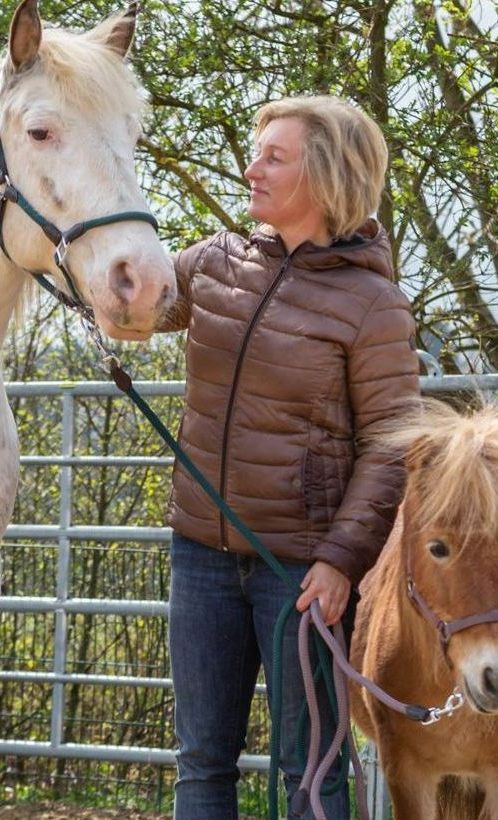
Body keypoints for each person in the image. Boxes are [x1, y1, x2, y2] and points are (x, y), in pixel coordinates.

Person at [157, 96, 420, 818]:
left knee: (310, 773)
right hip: (200, 555)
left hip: (300, 574)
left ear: (326, 176)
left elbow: (391, 446)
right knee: (201, 765)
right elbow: (132, 303)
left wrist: (340, 562)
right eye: (256, 152)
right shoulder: (213, 263)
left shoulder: (373, 305)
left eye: (274, 157)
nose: (251, 170)